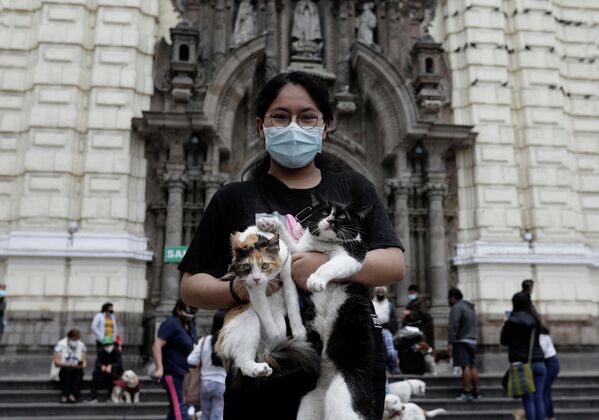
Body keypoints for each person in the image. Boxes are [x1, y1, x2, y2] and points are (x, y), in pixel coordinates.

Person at [178, 71, 405, 420]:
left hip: (345, 365)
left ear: (326, 126)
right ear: (261, 125)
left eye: (307, 117)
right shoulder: (232, 197)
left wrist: (320, 267)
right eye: (280, 116)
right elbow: (191, 287)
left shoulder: (352, 188)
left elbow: (392, 263)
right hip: (266, 371)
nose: (294, 126)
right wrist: (244, 288)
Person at [501, 292, 546, 420]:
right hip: (539, 362)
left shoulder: (511, 321)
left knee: (528, 399)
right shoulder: (535, 320)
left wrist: (505, 324)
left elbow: (504, 340)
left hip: (522, 364)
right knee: (539, 397)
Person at [152, 299, 198, 420]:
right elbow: (157, 345)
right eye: (186, 313)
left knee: (175, 411)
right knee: (180, 410)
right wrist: (159, 368)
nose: (189, 316)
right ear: (178, 310)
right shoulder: (171, 323)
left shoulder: (189, 324)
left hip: (185, 374)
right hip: (173, 373)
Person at [187, 310, 227, 420]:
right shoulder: (228, 342)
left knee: (204, 416)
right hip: (221, 383)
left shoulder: (204, 340)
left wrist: (203, 361)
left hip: (205, 383)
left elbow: (191, 360)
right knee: (217, 417)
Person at [447, 287, 481, 401]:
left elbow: (454, 325)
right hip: (472, 340)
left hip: (461, 340)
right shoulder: (470, 308)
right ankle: (476, 392)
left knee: (465, 366)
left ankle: (466, 391)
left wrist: (450, 341)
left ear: (453, 298)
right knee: (473, 366)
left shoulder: (457, 307)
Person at [52, 328, 87, 403]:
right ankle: (65, 394)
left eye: (77, 339)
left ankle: (73, 395)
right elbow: (56, 361)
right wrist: (69, 364)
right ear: (69, 338)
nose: (75, 341)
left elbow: (84, 361)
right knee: (68, 371)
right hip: (64, 367)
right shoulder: (61, 344)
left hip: (76, 368)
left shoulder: (81, 345)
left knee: (78, 372)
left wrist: (80, 365)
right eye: (74, 339)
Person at [87, 336, 124, 403]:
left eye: (109, 344)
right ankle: (93, 396)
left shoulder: (117, 351)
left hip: (114, 372)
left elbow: (119, 363)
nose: (107, 346)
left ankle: (110, 396)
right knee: (95, 373)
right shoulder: (101, 351)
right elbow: (97, 363)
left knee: (113, 374)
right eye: (106, 345)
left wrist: (111, 366)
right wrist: (102, 366)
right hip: (103, 372)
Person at [539, 325, 559, 420]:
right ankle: (550, 416)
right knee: (545, 390)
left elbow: (542, 351)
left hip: (550, 363)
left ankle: (549, 416)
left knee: (544, 390)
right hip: (551, 362)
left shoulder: (541, 335)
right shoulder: (543, 334)